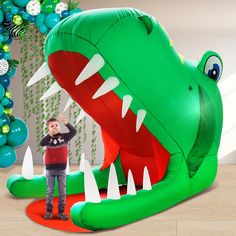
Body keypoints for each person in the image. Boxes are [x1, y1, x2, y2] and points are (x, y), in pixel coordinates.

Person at [40, 115, 77, 220]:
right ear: (49, 129)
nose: (55, 127)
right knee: (50, 191)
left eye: (57, 125)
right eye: (52, 126)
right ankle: (49, 211)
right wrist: (49, 135)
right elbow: (41, 143)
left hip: (61, 169)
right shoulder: (47, 139)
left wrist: (66, 123)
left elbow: (74, 132)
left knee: (62, 191)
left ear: (60, 127)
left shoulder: (64, 137)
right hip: (50, 169)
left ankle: (61, 212)